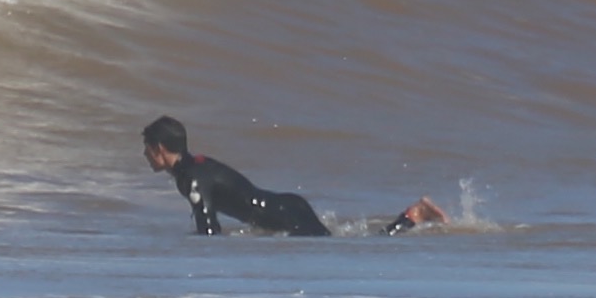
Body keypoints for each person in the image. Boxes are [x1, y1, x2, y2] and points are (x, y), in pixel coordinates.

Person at [142, 116, 439, 236]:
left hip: (284, 215)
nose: (144, 156)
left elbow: (208, 231)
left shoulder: (191, 179)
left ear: (159, 149)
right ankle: (414, 216)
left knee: (365, 248)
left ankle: (413, 216)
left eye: (147, 150)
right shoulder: (196, 164)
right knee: (345, 244)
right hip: (285, 206)